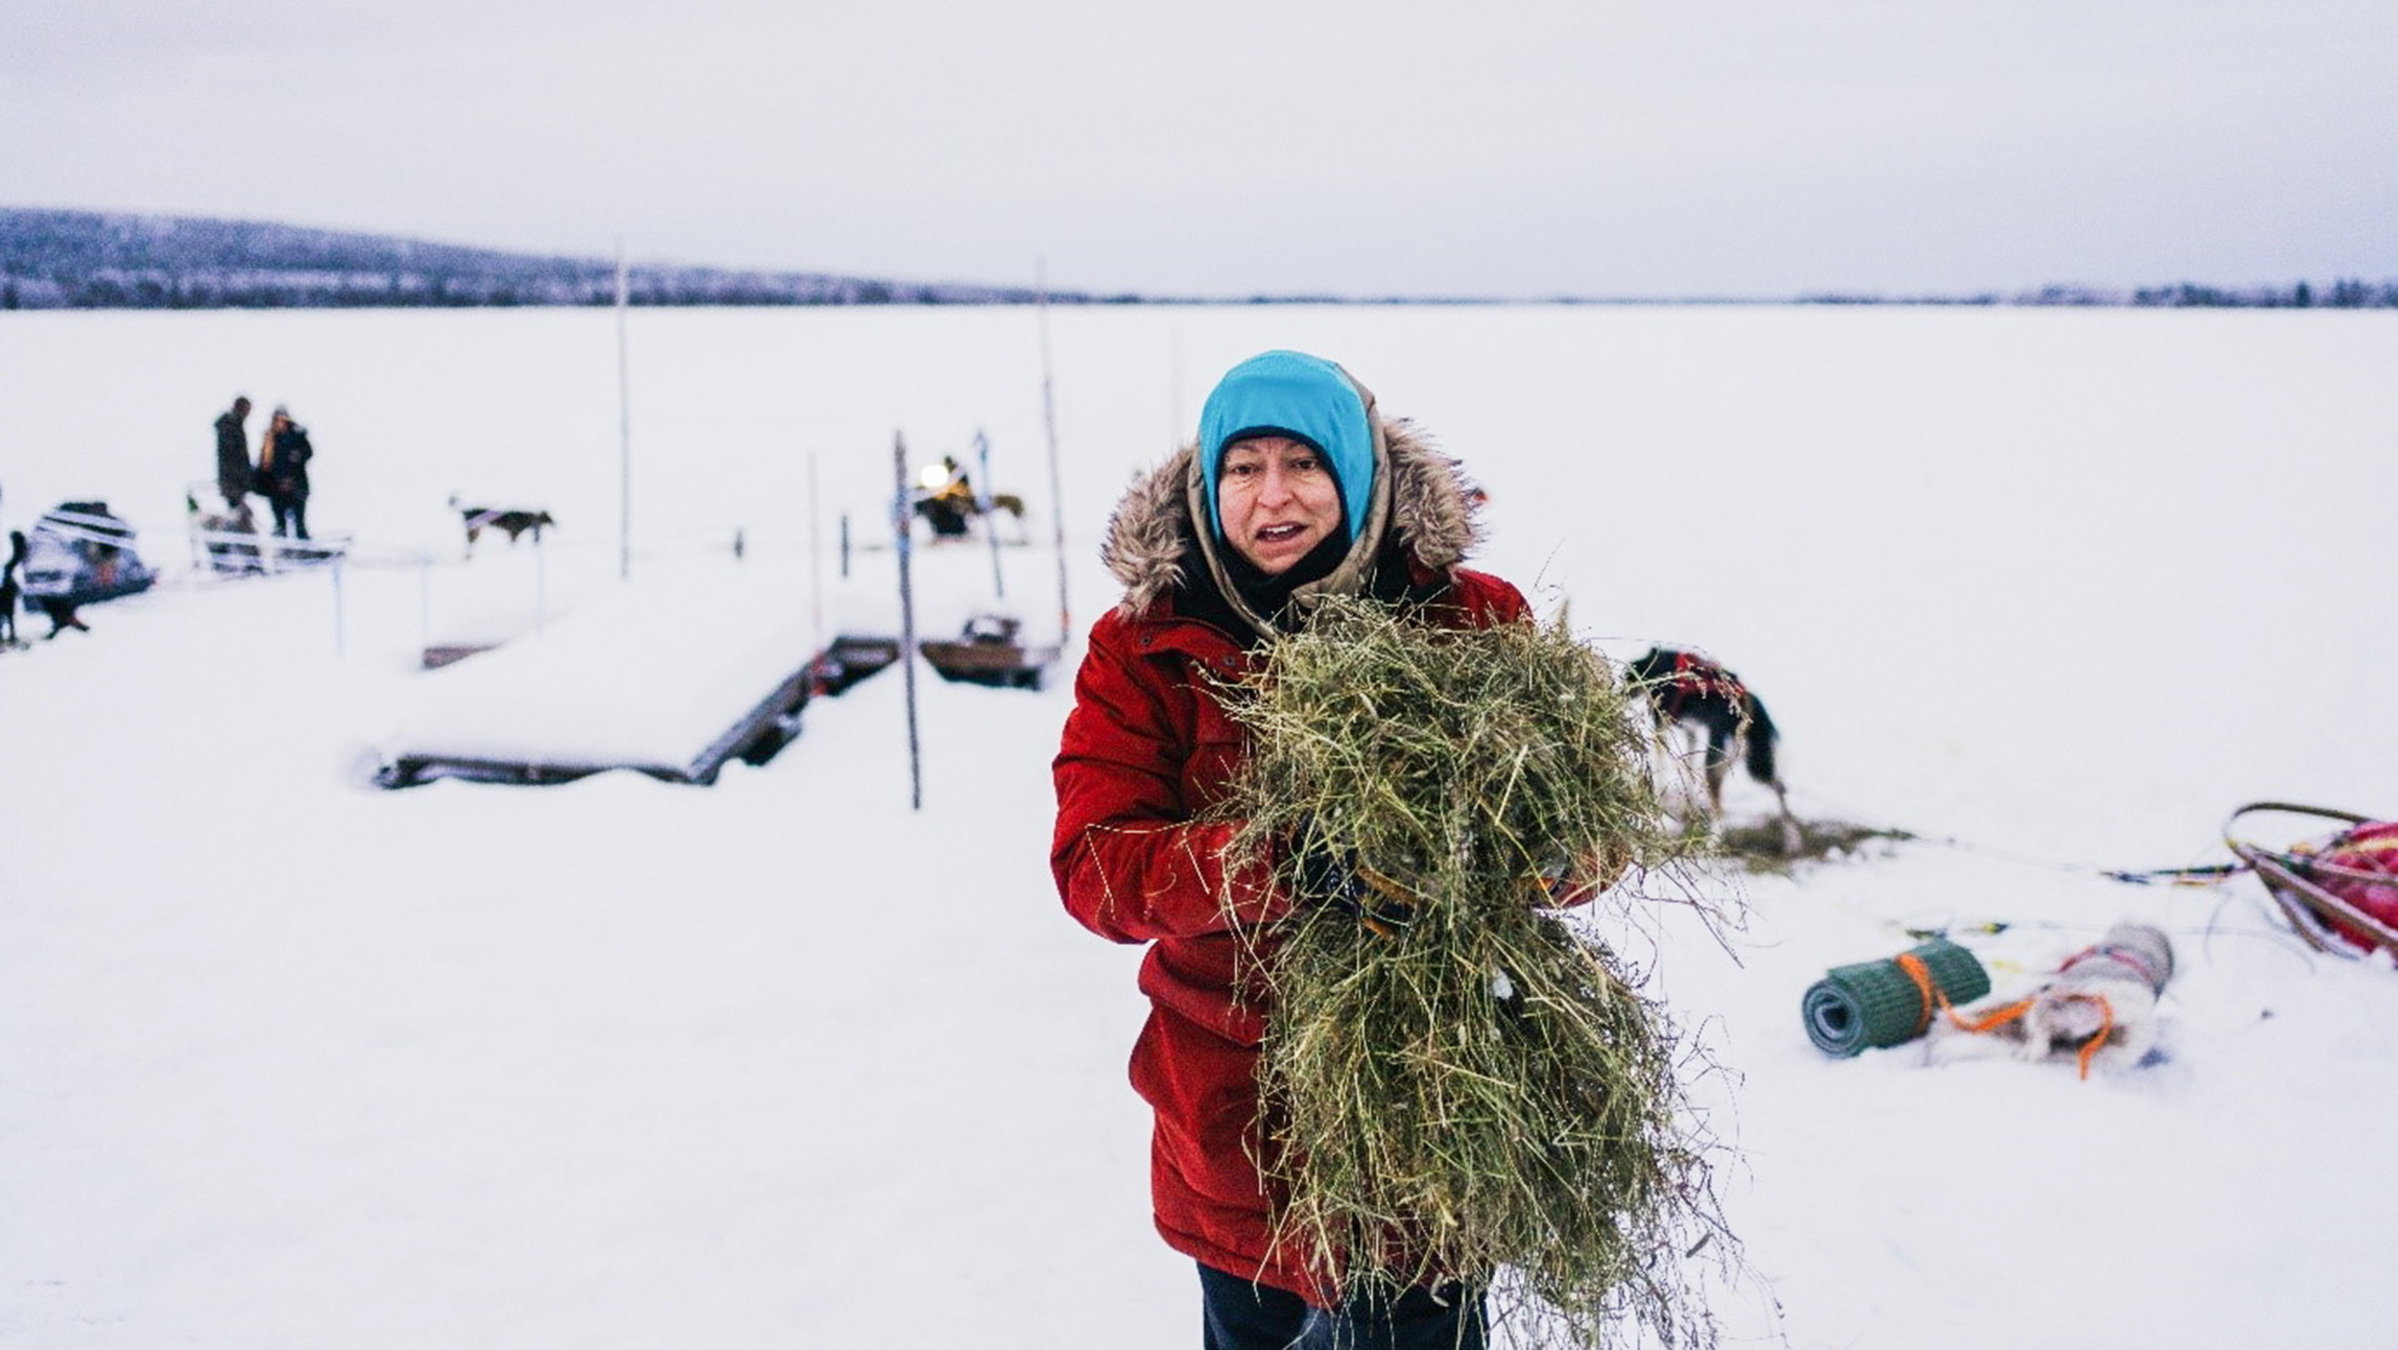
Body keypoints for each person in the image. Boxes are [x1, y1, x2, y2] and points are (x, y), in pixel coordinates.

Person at [1051, 351, 1534, 1349]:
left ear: (1356, 474)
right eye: (1243, 467)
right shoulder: (1145, 645)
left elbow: (1560, 839)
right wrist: (1278, 859)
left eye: (1304, 464)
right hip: (1236, 1123)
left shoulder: (1469, 621)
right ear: (1206, 483)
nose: (1273, 495)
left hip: (1433, 1102)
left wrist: (1548, 851)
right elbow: (1096, 867)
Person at [256, 405, 314, 540]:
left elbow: (308, 452)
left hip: (297, 488)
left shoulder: (297, 435)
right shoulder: (270, 439)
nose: (279, 423)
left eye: (282, 420)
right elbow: (264, 465)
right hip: (276, 490)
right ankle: (281, 552)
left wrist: (299, 455)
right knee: (280, 525)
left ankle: (304, 550)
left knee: (299, 524)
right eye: (276, 420)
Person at [213, 396, 254, 510]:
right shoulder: (229, 425)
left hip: (236, 476)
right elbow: (231, 453)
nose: (248, 413)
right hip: (232, 477)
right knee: (237, 509)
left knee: (238, 509)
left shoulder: (235, 424)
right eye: (247, 410)